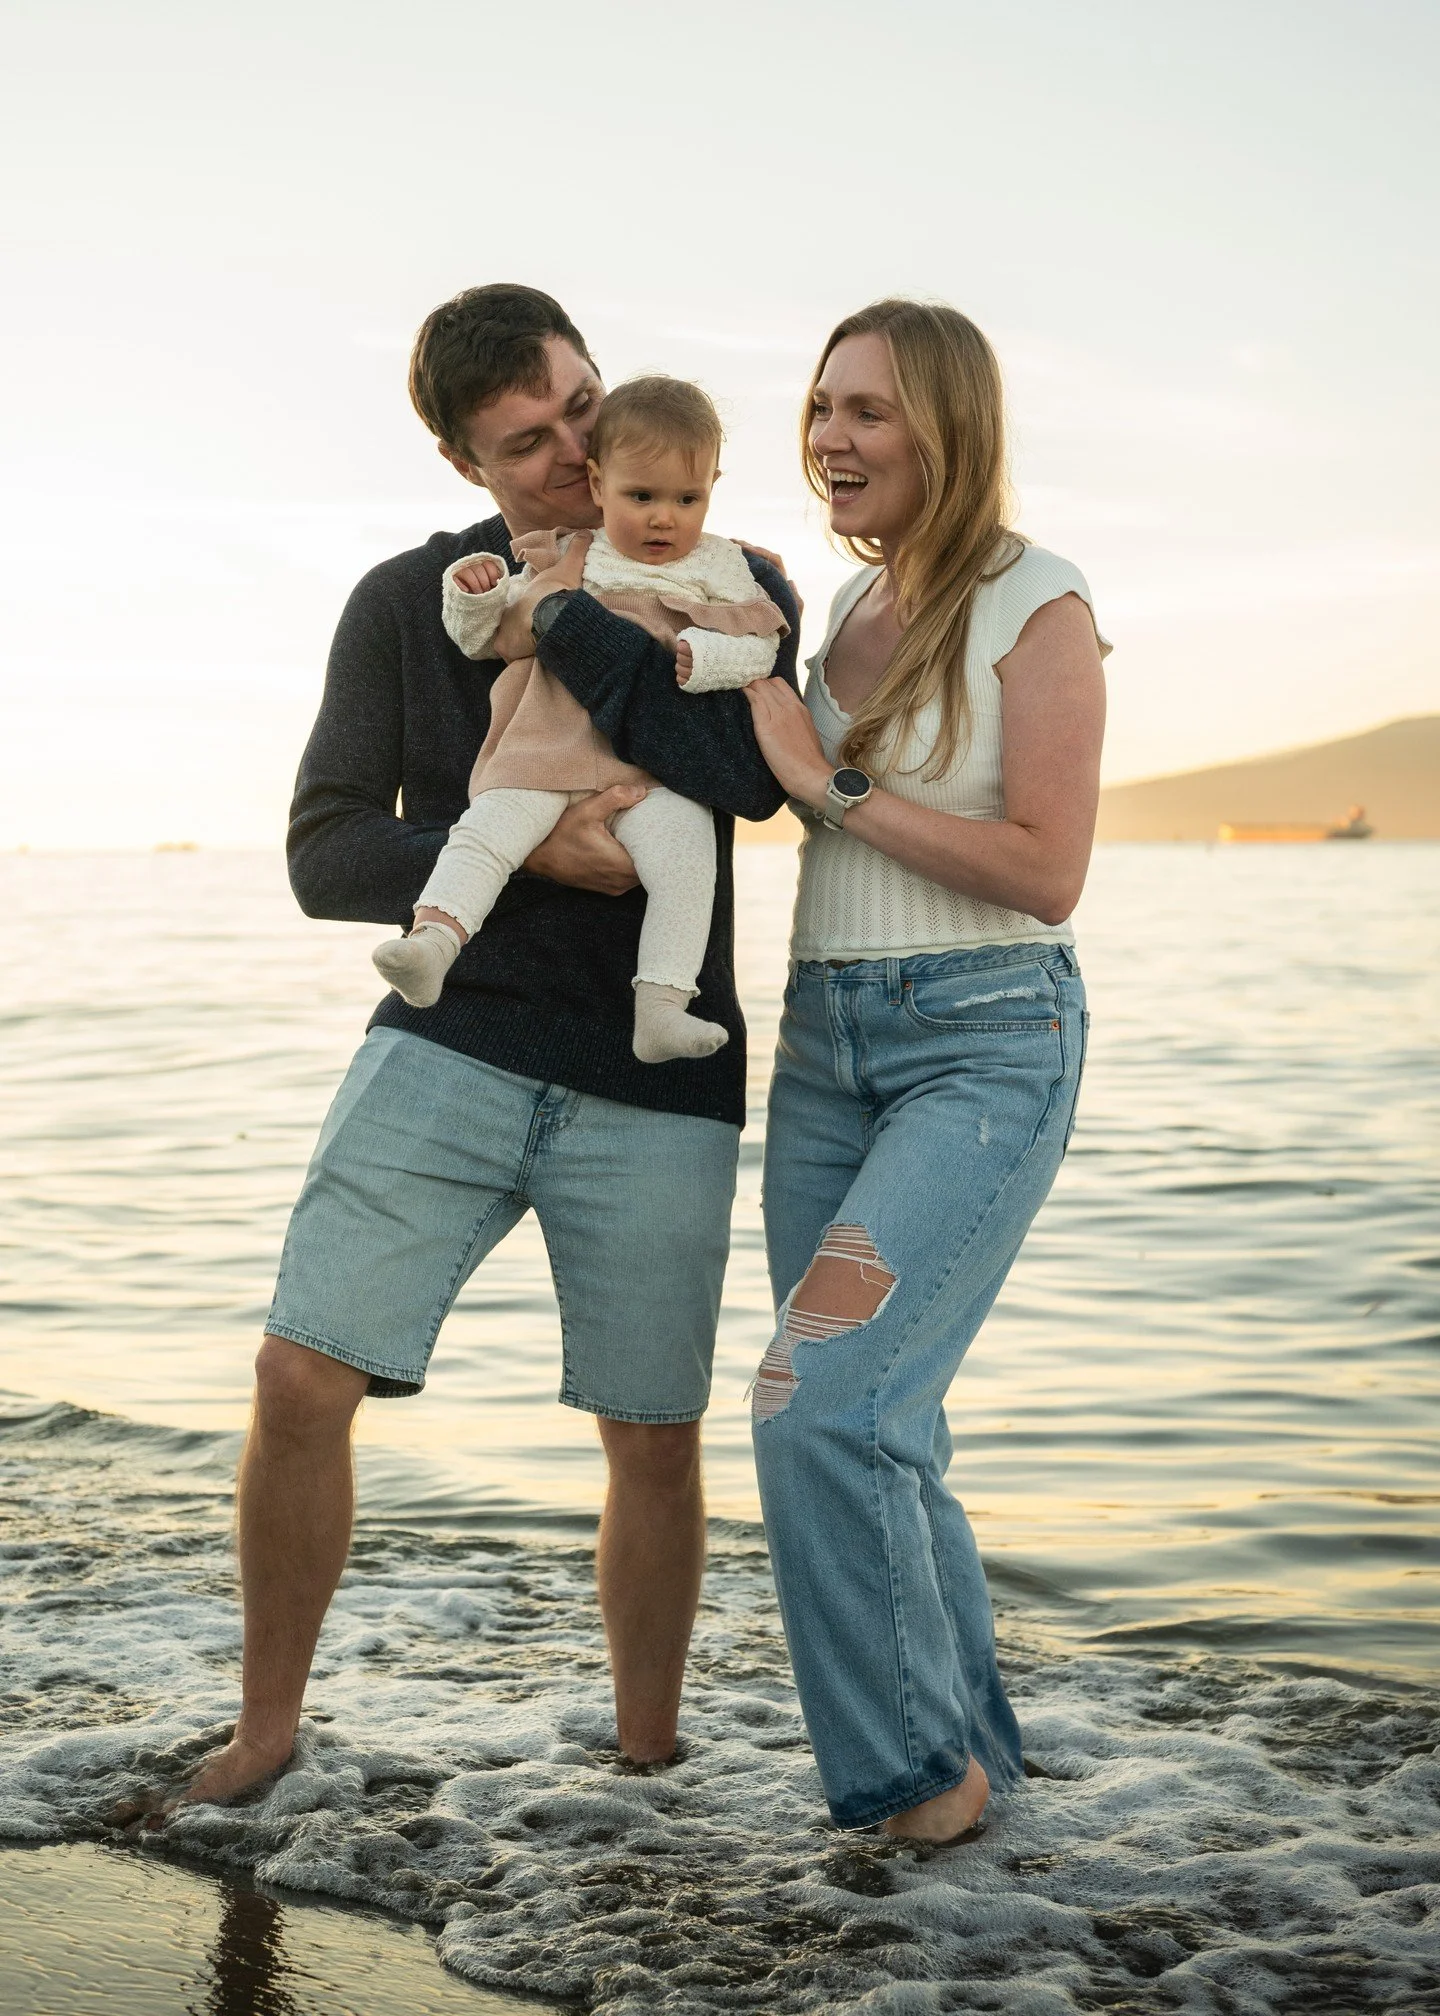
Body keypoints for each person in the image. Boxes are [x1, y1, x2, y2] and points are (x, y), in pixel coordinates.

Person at [150, 284, 799, 1814]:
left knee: (652, 1433)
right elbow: (324, 857)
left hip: (660, 1068)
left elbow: (746, 782)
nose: (577, 451)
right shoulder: (406, 601)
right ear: (468, 465)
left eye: (584, 407)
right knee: (297, 1377)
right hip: (448, 1043)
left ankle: (647, 1769)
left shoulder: (734, 574)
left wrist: (594, 622)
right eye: (532, 438)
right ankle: (264, 1739)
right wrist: (525, 853)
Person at [742, 299, 1108, 1843]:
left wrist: (826, 778)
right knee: (887, 1427)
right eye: (823, 406)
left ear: (946, 427)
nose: (833, 437)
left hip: (980, 1044)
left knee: (811, 1400)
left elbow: (1047, 867)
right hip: (826, 1050)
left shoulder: (1043, 599)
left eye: (870, 411)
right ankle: (979, 1777)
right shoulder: (840, 613)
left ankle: (917, 1796)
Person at [373, 375, 788, 1065]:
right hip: (540, 750)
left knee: (689, 868)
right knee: (484, 835)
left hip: (647, 778)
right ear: (600, 485)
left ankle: (660, 1008)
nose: (664, 518)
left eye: (688, 499)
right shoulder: (566, 553)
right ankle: (431, 943)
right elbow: (492, 631)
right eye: (642, 497)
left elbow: (759, 644)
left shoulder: (727, 570)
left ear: (714, 485)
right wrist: (469, 592)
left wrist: (705, 656)